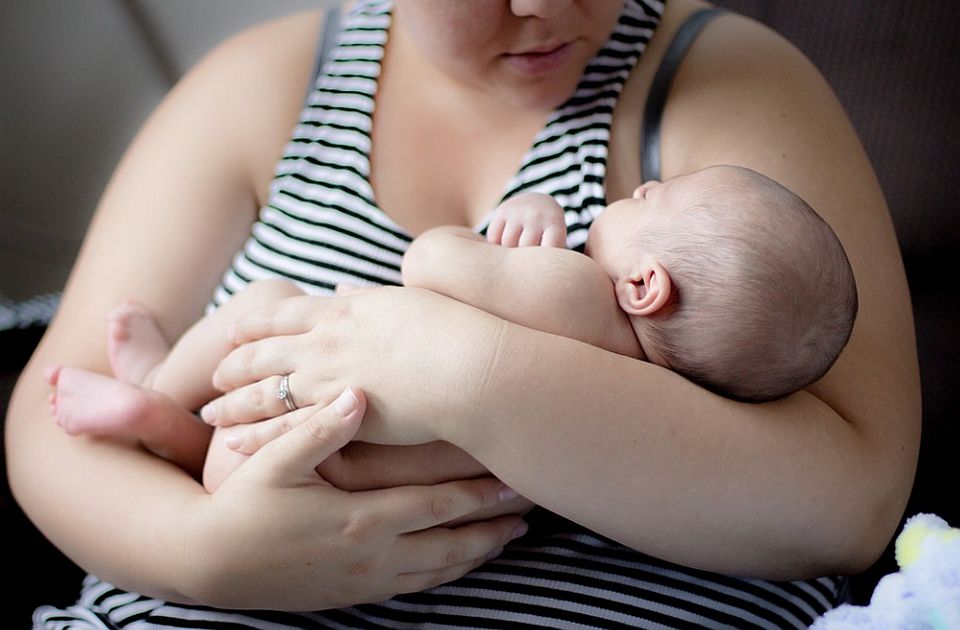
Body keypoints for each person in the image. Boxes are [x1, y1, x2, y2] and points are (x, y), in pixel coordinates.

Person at [6, 0, 919, 627]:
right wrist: (206, 554)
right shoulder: (257, 86)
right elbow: (54, 426)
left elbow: (852, 501)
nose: (549, 6)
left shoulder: (727, 88)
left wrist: (458, 371)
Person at [44, 164, 858, 494]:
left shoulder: (578, 290)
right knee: (229, 455)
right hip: (348, 473)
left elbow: (431, 265)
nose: (640, 186)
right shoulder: (650, 405)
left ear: (645, 286)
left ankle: (157, 391)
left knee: (262, 300)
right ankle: (159, 426)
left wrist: (514, 221)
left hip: (304, 398)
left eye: (654, 201)